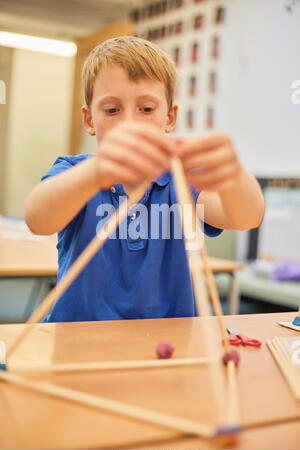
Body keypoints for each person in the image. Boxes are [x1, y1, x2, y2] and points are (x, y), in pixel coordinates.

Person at [25, 36, 265, 322]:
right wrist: (95, 174)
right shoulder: (74, 174)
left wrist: (233, 175)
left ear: (169, 118)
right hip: (80, 342)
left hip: (170, 345)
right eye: (112, 110)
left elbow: (246, 218)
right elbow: (37, 219)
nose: (130, 124)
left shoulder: (184, 181)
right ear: (90, 120)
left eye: (147, 109)